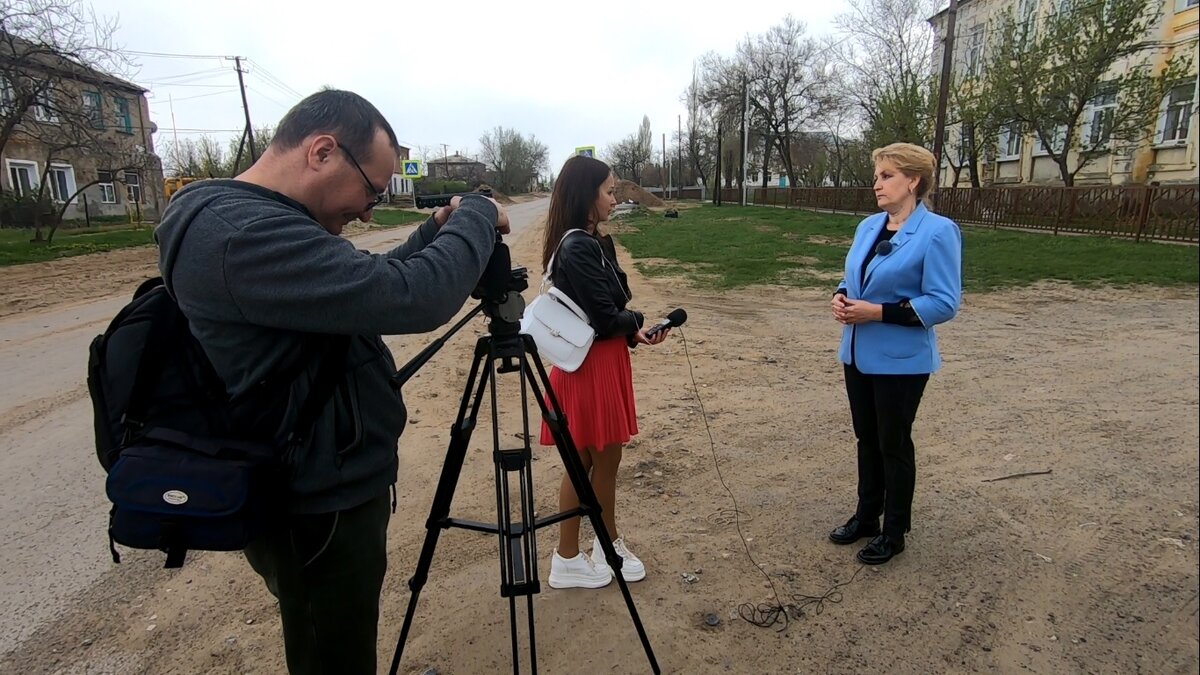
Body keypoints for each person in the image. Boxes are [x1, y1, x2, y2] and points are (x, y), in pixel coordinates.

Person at [154, 88, 509, 674]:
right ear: (322, 151)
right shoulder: (238, 233)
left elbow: (364, 282)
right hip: (314, 505)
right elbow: (413, 296)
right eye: (371, 190)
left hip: (329, 485)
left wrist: (437, 229)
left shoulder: (256, 222)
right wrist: (473, 216)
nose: (370, 212)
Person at [536, 155, 669, 589]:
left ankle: (579, 553)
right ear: (586, 195)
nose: (616, 198)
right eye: (609, 191)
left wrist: (635, 333)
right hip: (591, 369)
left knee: (592, 463)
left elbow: (607, 316)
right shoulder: (577, 246)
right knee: (598, 463)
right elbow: (605, 317)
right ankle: (595, 550)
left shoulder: (588, 242)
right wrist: (633, 322)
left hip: (599, 363)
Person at [828, 142, 962, 566]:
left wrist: (877, 312)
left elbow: (944, 302)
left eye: (886, 176)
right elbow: (855, 276)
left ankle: (894, 531)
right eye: (876, 176)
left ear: (913, 180)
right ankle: (867, 515)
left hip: (901, 362)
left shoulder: (938, 231)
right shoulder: (869, 226)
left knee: (893, 443)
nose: (877, 185)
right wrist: (842, 295)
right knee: (867, 438)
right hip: (857, 354)